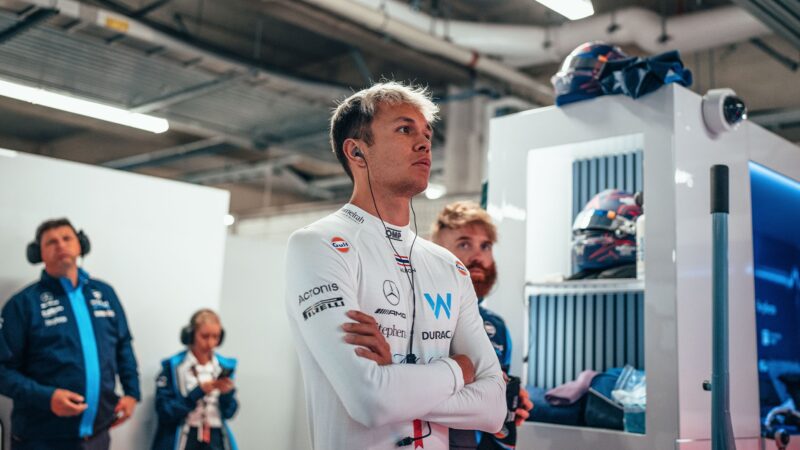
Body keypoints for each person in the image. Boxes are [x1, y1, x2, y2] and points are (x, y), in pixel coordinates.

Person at [285, 81, 506, 449]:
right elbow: (370, 400)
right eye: (405, 130)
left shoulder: (449, 266)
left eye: (427, 134)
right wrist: (458, 369)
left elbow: (494, 408)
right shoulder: (317, 244)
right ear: (357, 151)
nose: (424, 144)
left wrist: (396, 379)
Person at [0, 218, 140, 449]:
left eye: (67, 238)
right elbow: (2, 370)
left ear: (80, 244)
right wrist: (47, 398)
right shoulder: (23, 304)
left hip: (97, 436)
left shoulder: (104, 294)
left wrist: (132, 393)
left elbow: (123, 345)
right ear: (38, 253)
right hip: (41, 439)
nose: (61, 245)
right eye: (51, 242)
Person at [431, 201, 534, 449]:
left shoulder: (497, 326)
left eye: (485, 246)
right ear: (436, 252)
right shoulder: (418, 315)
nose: (478, 257)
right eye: (464, 244)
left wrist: (509, 400)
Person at [152, 309, 238, 450]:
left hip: (216, 437)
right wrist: (197, 393)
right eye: (205, 336)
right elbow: (165, 411)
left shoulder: (224, 366)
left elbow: (230, 412)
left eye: (216, 337)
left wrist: (226, 394)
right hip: (184, 437)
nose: (210, 343)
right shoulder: (173, 367)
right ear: (190, 335)